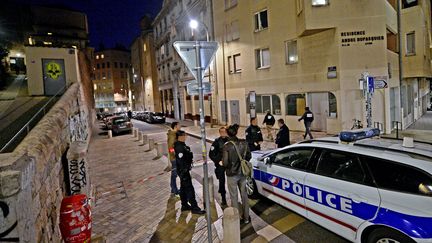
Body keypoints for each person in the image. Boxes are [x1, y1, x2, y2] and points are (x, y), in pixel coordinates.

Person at [222, 124, 252, 224]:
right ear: (236, 132)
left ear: (227, 133)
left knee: (234, 197)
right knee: (244, 195)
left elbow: (225, 163)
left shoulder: (227, 146)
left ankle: (237, 219)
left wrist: (224, 164)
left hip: (232, 174)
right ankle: (247, 218)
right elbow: (249, 156)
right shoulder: (244, 142)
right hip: (242, 173)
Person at [175, 130, 206, 214]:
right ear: (181, 137)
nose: (186, 137)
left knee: (183, 188)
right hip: (183, 171)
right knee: (190, 189)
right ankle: (195, 208)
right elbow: (180, 160)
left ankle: (184, 205)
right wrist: (184, 171)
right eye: (185, 136)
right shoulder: (179, 147)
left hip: (183, 171)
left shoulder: (181, 145)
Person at [209, 127, 228, 206]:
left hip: (229, 164)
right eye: (222, 132)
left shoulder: (229, 140)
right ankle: (223, 198)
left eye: (224, 132)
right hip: (220, 164)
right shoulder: (216, 142)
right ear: (219, 133)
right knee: (222, 181)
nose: (223, 133)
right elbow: (211, 154)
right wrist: (218, 161)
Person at [167, 122, 181, 196]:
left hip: (175, 158)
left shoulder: (175, 134)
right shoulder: (172, 135)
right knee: (174, 174)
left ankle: (174, 189)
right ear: (176, 126)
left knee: (175, 174)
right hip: (175, 159)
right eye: (179, 125)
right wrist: (175, 156)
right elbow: (170, 148)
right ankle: (174, 190)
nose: (180, 126)